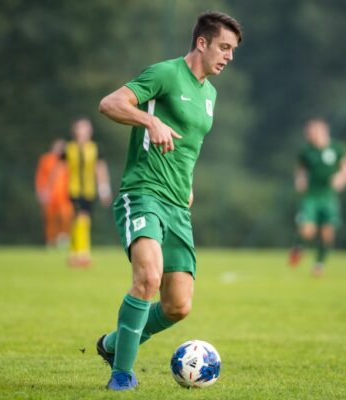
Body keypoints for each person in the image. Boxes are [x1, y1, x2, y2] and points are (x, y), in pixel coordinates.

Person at [96, 11, 242, 391]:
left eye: (232, 50)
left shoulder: (210, 95)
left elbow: (190, 147)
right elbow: (110, 103)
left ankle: (114, 344)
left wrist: (187, 185)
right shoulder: (164, 74)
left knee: (178, 306)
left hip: (178, 205)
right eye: (224, 47)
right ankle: (122, 375)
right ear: (202, 43)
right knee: (147, 278)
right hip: (143, 192)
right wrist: (150, 121)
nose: (228, 56)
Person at [289, 118, 346, 277]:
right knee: (307, 231)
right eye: (308, 133)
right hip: (311, 197)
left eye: (312, 132)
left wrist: (341, 177)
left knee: (327, 232)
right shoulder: (306, 151)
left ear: (323, 132)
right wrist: (300, 179)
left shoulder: (336, 148)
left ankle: (319, 265)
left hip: (328, 197)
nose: (309, 135)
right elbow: (300, 170)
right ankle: (298, 247)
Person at [63, 117, 112, 267]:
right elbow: (60, 169)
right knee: (81, 218)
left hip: (89, 190)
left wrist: (104, 189)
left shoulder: (95, 148)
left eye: (86, 128)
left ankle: (73, 253)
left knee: (82, 221)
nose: (83, 131)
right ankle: (83, 253)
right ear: (75, 131)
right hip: (73, 189)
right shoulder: (68, 148)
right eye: (80, 128)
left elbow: (100, 169)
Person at [34, 139, 73, 248]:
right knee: (50, 218)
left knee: (66, 215)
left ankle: (64, 237)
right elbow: (41, 177)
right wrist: (41, 191)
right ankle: (51, 240)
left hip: (64, 196)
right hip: (50, 195)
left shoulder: (68, 161)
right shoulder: (46, 160)